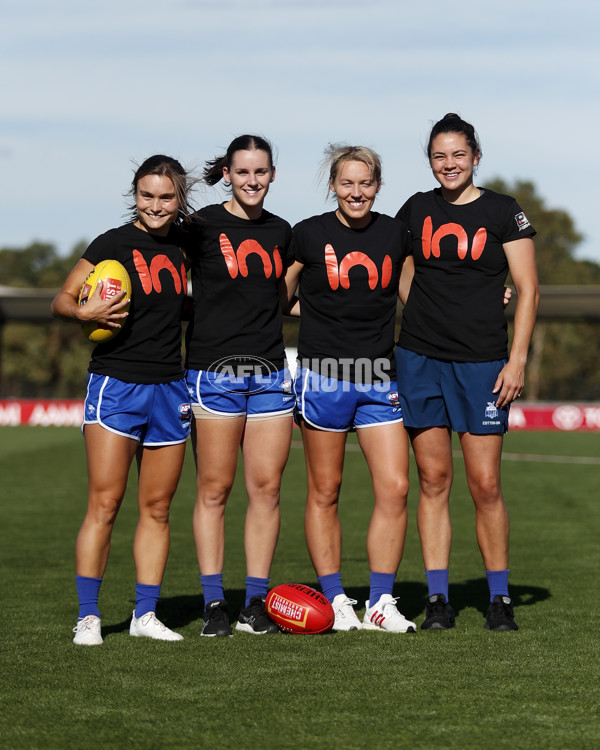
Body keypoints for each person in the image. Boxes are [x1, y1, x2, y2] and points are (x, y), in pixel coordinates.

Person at [396, 113, 540, 631]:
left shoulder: (503, 211)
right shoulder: (415, 209)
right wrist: (422, 309)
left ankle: (499, 599)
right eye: (439, 155)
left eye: (458, 154)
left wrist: (516, 359)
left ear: (475, 156)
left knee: (484, 484)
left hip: (483, 363)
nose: (449, 164)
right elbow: (400, 268)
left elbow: (528, 288)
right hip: (419, 359)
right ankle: (438, 599)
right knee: (433, 480)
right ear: (430, 161)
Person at [51, 155, 195, 645]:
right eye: (147, 195)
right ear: (135, 195)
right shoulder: (111, 243)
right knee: (105, 503)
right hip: (117, 384)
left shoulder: (184, 244)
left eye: (166, 196)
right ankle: (89, 616)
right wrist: (83, 309)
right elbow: (62, 300)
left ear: (179, 199)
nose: (155, 206)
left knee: (157, 507)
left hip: (171, 387)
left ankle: (145, 614)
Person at [283, 145, 416, 633]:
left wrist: (489, 296)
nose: (356, 192)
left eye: (365, 183)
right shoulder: (308, 234)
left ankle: (380, 602)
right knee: (326, 489)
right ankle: (337, 599)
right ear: (333, 185)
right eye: (347, 183)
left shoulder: (395, 234)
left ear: (378, 185)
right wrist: (317, 314)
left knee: (396, 487)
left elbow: (416, 297)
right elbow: (279, 295)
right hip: (323, 376)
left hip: (379, 376)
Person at [184, 135, 294, 636]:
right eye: (243, 172)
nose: (253, 180)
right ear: (227, 173)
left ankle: (254, 603)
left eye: (261, 172)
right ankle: (213, 605)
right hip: (213, 374)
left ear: (272, 175)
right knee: (215, 489)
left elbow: (284, 299)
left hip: (270, 374)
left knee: (267, 489)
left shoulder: (282, 231)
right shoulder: (200, 226)